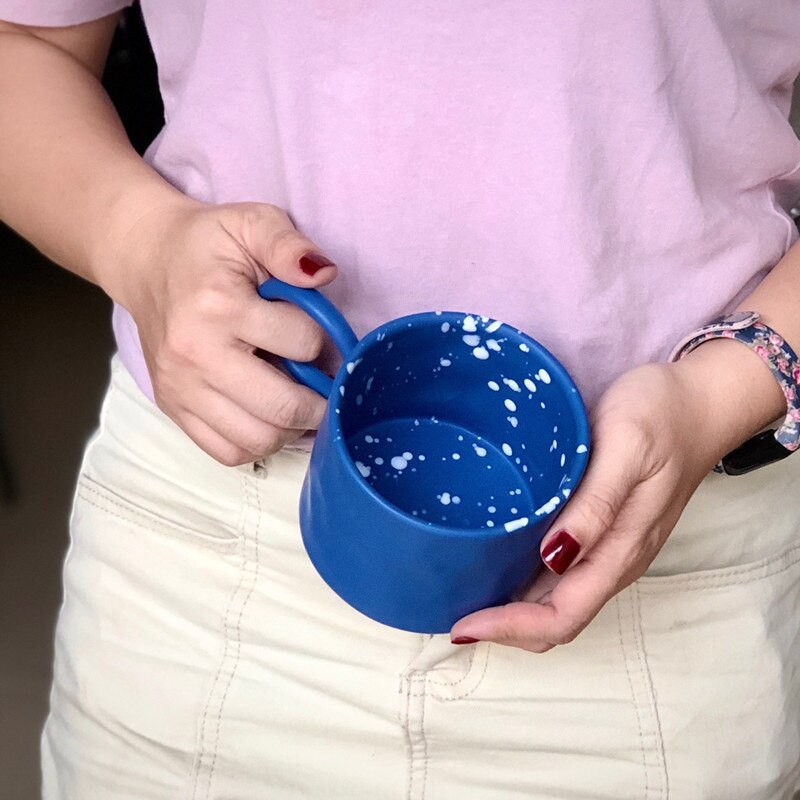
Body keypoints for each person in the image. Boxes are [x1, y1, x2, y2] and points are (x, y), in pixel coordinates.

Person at [1, 2, 799, 797]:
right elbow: (26, 45)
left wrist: (727, 387)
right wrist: (137, 239)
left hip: (655, 565)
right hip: (211, 558)